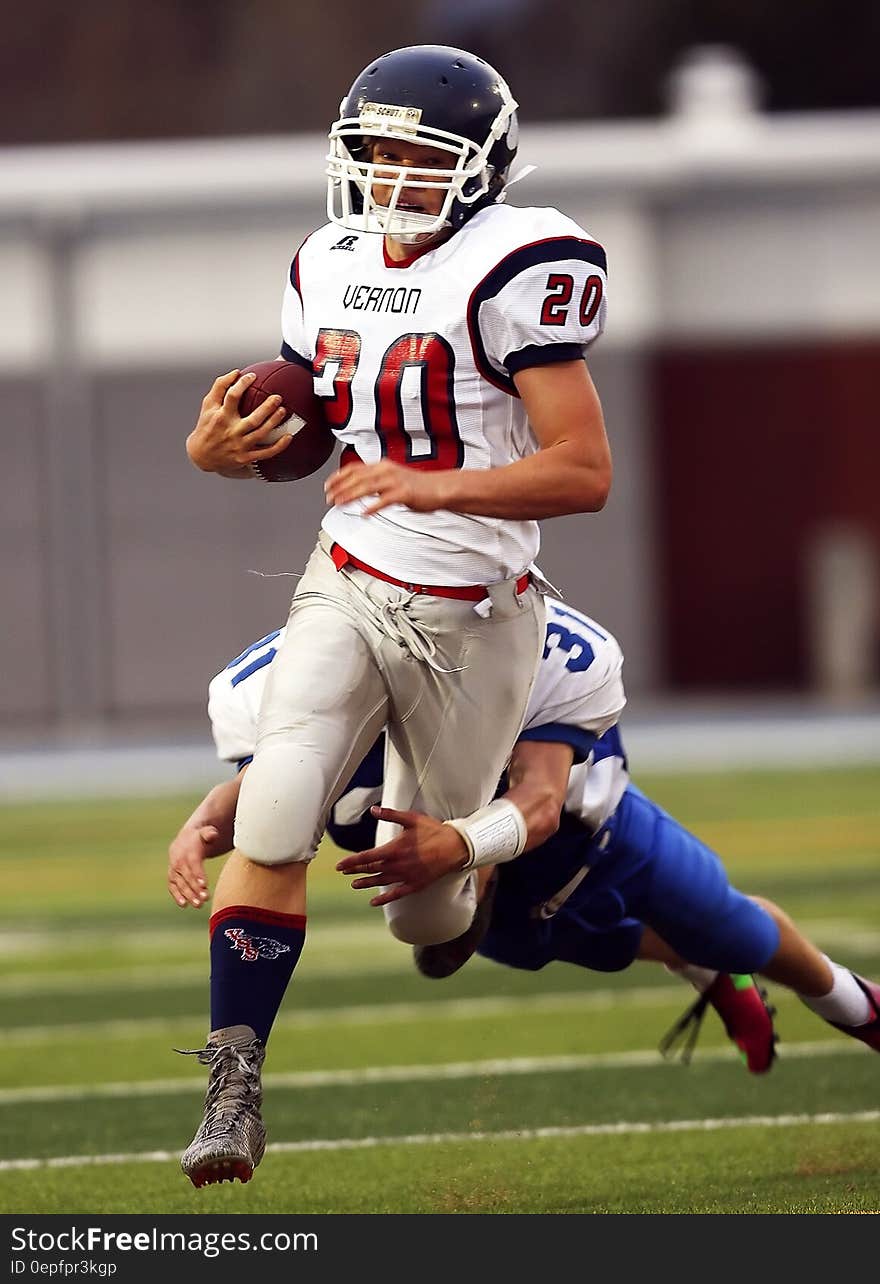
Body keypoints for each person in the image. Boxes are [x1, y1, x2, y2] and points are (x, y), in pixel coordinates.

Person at [179, 44, 613, 1186]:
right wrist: (217, 450)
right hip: (349, 573)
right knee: (274, 809)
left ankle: (461, 876)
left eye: (422, 157)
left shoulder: (519, 265)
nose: (392, 176)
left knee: (422, 918)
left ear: (479, 168)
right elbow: (307, 421)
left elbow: (583, 472)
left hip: (477, 607)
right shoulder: (324, 258)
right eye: (376, 151)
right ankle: (234, 1084)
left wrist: (437, 484)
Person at [170, 599, 880, 1185]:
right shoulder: (291, 682)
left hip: (582, 840)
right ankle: (697, 963)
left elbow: (540, 801)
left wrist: (460, 844)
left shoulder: (539, 648)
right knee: (450, 948)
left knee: (733, 931)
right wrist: (200, 829)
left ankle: (851, 999)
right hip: (465, 880)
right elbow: (253, 797)